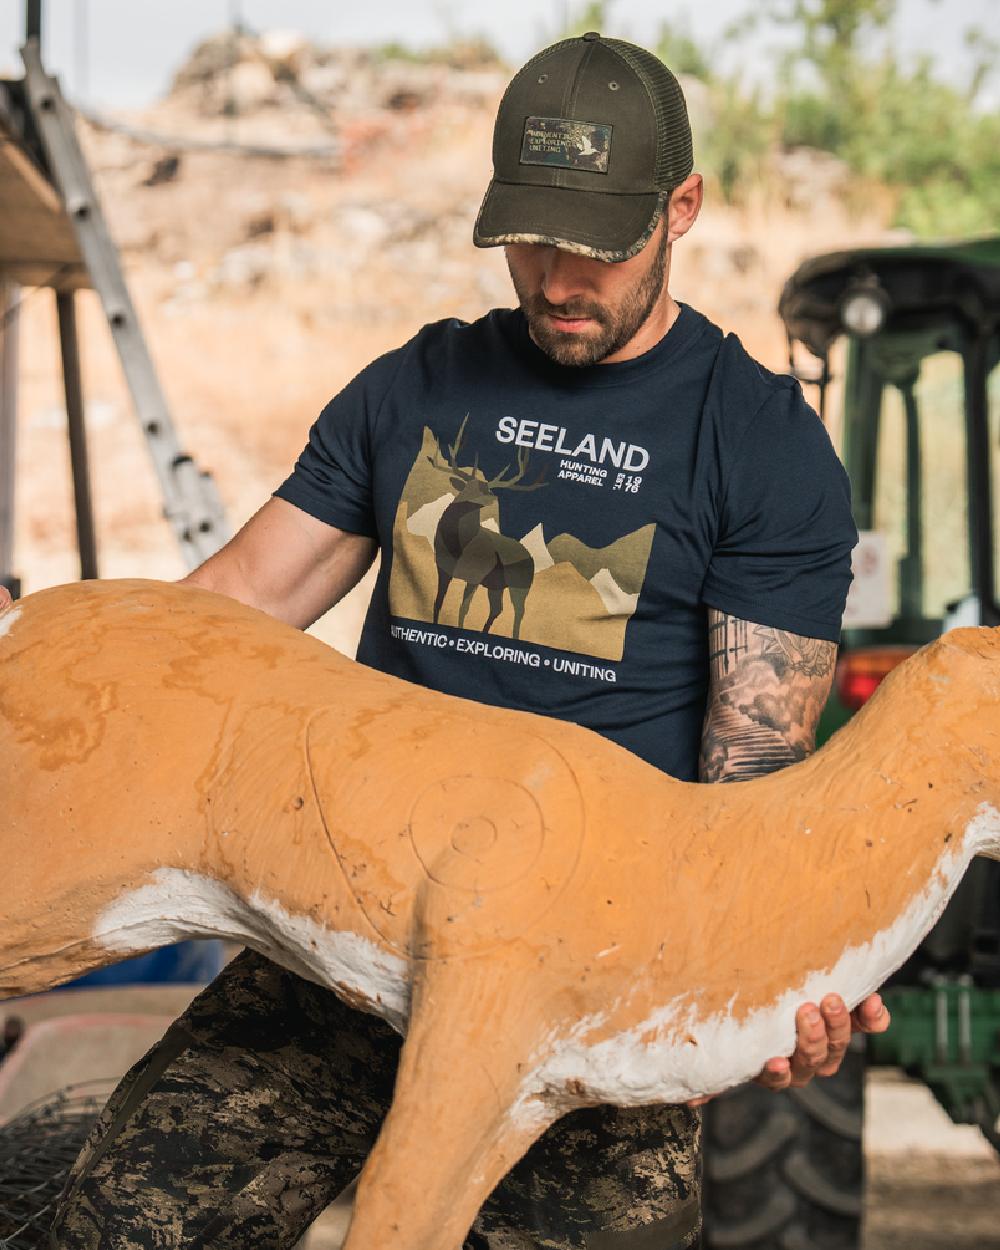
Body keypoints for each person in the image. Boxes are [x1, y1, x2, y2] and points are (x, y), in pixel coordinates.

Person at [13, 31, 890, 1250]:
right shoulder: (416, 385)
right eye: (530, 238)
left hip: (584, 986)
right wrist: (51, 689)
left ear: (680, 207)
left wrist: (768, 972)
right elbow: (226, 610)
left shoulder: (759, 441)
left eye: (596, 245)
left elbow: (751, 772)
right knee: (120, 1223)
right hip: (342, 941)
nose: (557, 278)